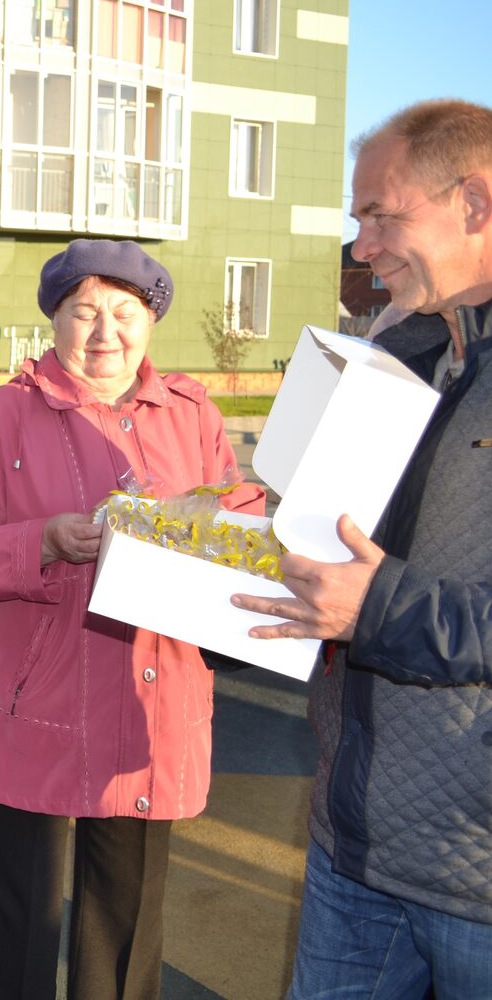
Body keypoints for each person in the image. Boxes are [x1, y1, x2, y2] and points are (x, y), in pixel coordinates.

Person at [0, 239, 264, 1000]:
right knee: (17, 922)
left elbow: (237, 519)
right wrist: (41, 541)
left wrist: (219, 537)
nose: (105, 332)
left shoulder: (192, 415)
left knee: (125, 924)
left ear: (151, 320)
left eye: (125, 312)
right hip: (32, 703)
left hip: (151, 702)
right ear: (54, 319)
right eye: (84, 312)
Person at [232, 99, 492, 997]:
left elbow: (371, 594)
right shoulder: (398, 351)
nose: (362, 245)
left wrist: (375, 607)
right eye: (358, 218)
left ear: (476, 203)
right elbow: (329, 543)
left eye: (382, 215)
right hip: (356, 844)